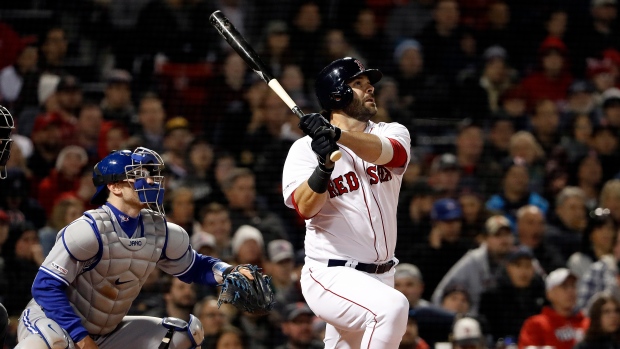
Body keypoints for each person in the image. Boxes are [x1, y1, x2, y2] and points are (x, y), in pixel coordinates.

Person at [14, 147, 258, 349]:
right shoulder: (88, 230)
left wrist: (228, 272)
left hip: (107, 332)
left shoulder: (161, 230)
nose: (150, 181)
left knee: (183, 336)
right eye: (139, 175)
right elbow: (45, 287)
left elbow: (193, 267)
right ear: (115, 186)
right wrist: (80, 337)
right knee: (46, 343)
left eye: (151, 175)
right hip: (55, 323)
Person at [282, 57, 411, 348]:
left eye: (369, 84)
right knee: (392, 309)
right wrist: (324, 167)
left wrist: (337, 136)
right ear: (337, 94)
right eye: (358, 84)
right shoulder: (304, 150)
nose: (370, 90)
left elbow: (394, 155)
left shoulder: (391, 132)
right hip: (331, 273)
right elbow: (305, 208)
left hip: (382, 275)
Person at [518, 268, 589, 349]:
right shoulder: (536, 325)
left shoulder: (588, 323)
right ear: (549, 293)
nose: (570, 291)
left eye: (573, 286)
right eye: (564, 286)